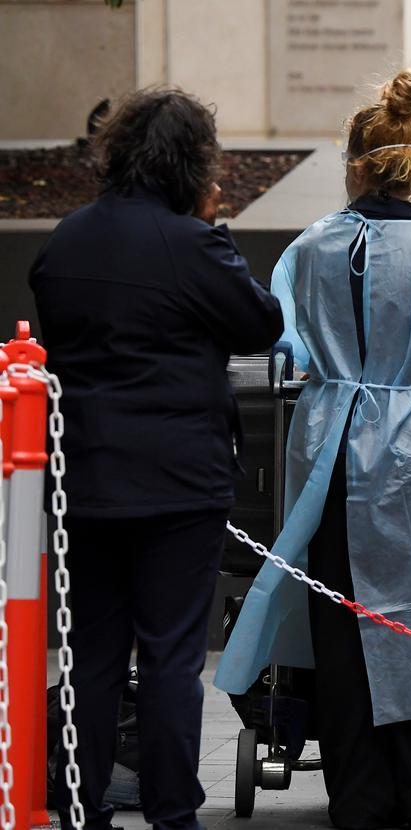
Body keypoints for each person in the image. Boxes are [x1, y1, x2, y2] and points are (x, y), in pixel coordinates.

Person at [216, 68, 411, 829]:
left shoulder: (311, 249)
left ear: (353, 163)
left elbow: (282, 342)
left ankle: (357, 795)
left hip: (331, 444)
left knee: (342, 625)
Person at [30, 88, 284, 830]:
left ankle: (82, 807)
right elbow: (260, 322)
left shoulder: (66, 240)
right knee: (172, 656)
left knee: (91, 658)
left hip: (82, 477)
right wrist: (216, 230)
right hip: (179, 481)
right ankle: (174, 814)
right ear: (190, 162)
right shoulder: (192, 242)